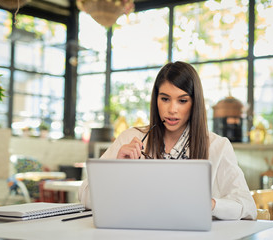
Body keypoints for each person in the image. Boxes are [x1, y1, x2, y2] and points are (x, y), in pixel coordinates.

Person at [79, 61, 257, 220]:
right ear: (156, 100)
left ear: (195, 103)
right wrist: (117, 171)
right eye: (165, 99)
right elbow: (84, 194)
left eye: (182, 100)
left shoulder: (217, 146)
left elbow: (247, 207)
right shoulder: (130, 138)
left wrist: (209, 204)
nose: (172, 109)